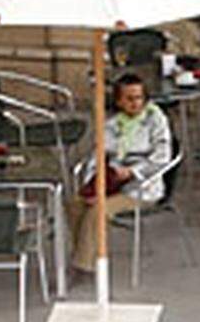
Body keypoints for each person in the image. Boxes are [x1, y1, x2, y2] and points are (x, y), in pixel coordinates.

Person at [67, 72, 171, 273]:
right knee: (74, 205)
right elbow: (95, 158)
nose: (135, 103)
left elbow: (162, 158)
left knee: (98, 212)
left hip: (140, 187)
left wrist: (132, 172)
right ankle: (89, 254)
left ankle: (84, 268)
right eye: (129, 99)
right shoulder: (111, 124)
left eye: (139, 98)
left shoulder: (155, 120)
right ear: (119, 101)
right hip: (109, 182)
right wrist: (93, 188)